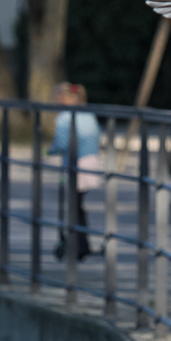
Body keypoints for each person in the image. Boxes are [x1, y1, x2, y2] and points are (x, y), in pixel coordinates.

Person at [47, 82, 102, 260]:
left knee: (73, 206)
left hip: (75, 164)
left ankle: (78, 245)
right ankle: (82, 243)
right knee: (78, 205)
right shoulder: (88, 115)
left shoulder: (64, 118)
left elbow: (61, 143)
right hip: (90, 162)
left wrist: (49, 150)